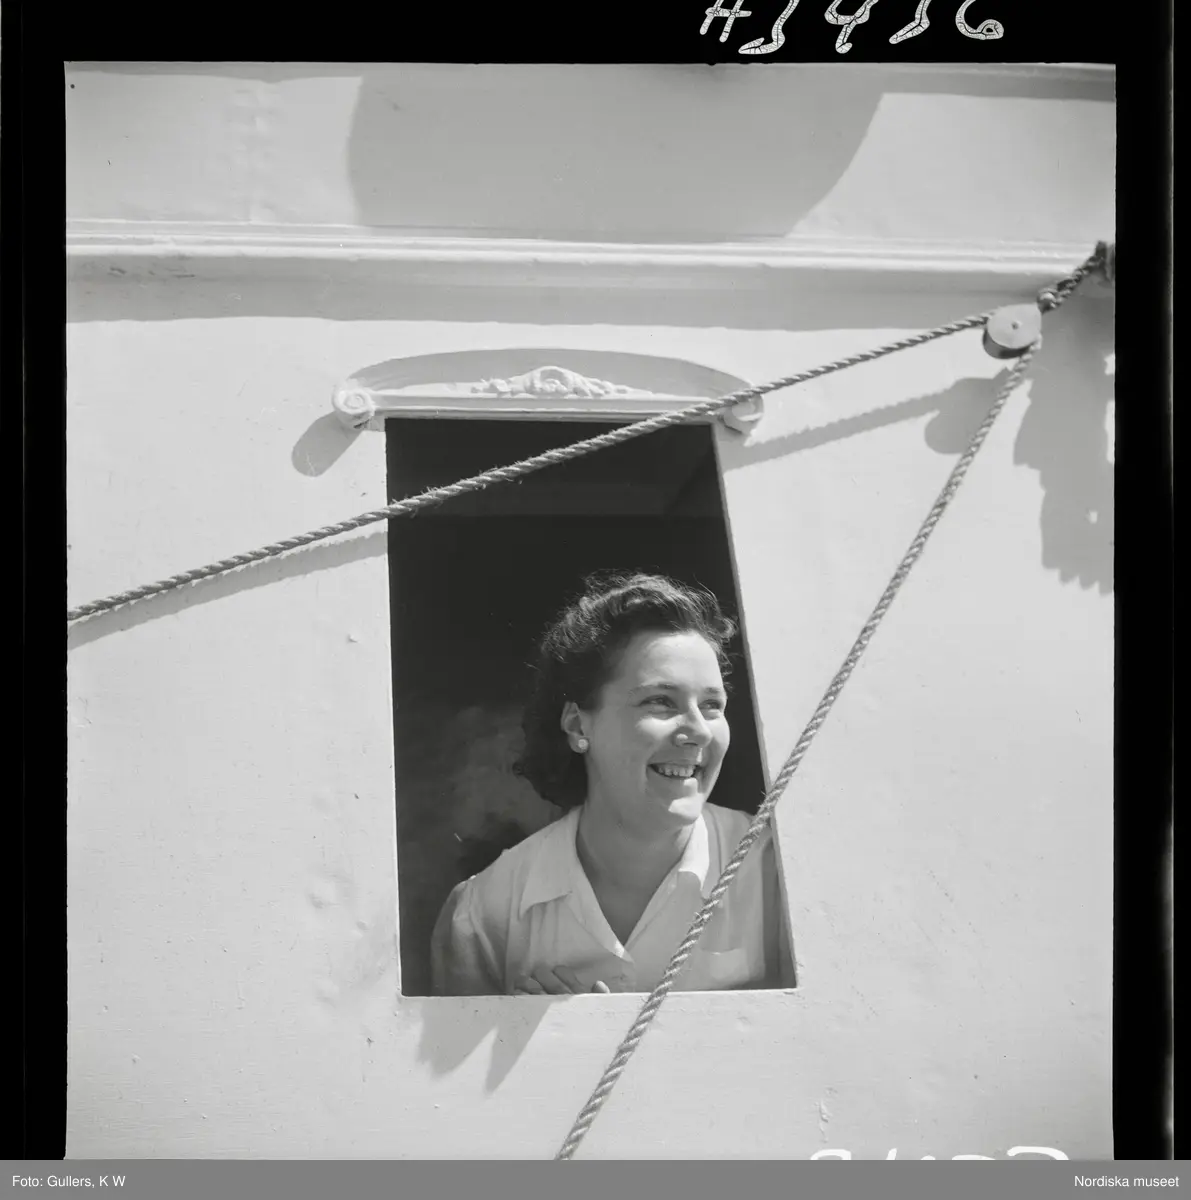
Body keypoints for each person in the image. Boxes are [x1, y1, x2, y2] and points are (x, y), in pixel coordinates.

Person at [430, 571, 789, 996]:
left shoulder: (778, 872)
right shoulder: (481, 918)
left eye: (712, 705)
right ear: (578, 725)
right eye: (660, 701)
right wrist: (523, 1036)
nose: (698, 731)